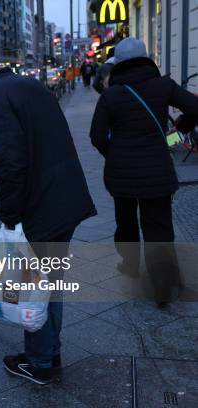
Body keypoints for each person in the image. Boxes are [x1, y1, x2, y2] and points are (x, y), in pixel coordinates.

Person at [0, 62, 96, 385]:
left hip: (42, 207)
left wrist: (9, 221)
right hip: (65, 199)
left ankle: (39, 363)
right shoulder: (26, 86)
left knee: (31, 284)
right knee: (50, 283)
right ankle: (50, 351)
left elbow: (10, 165)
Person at [90, 37, 198, 305]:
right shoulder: (163, 85)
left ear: (119, 64)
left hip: (121, 174)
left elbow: (97, 136)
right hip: (157, 172)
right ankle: (162, 288)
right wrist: (181, 127)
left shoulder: (111, 95)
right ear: (146, 58)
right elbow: (196, 107)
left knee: (125, 222)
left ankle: (129, 265)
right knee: (158, 227)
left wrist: (113, 154)